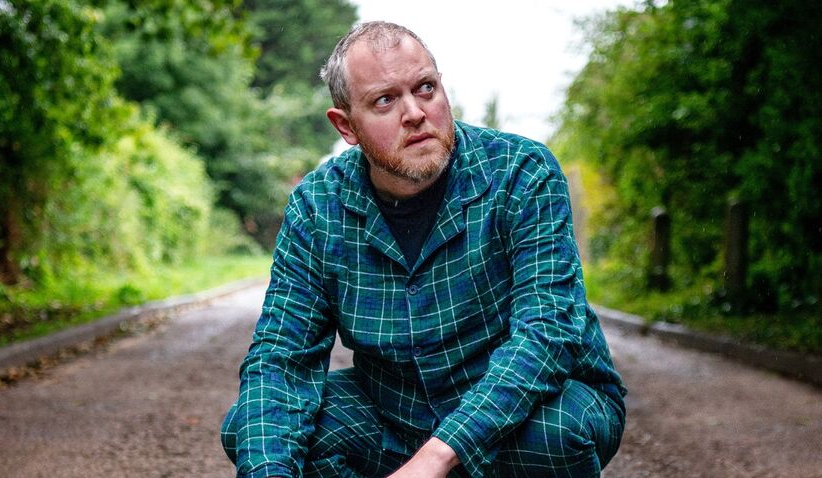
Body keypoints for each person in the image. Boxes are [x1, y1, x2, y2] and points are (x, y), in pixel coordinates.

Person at [221, 21, 626, 478]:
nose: (414, 113)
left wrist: (436, 457)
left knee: (556, 435)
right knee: (257, 428)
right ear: (346, 126)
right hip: (395, 414)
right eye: (385, 100)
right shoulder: (318, 207)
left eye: (425, 88)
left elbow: (547, 333)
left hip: (528, 409)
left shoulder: (522, 172)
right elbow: (281, 358)